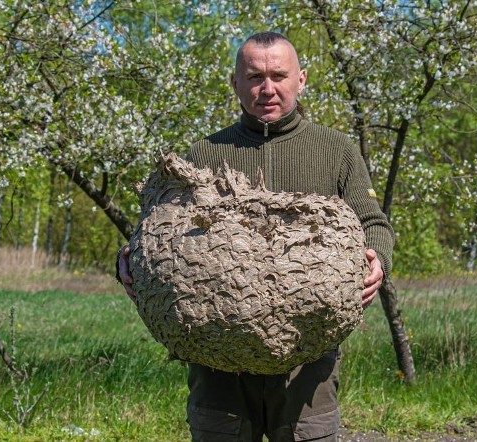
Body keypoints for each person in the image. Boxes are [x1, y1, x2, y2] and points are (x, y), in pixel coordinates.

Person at [118, 32, 394, 442]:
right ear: (235, 83)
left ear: (301, 79)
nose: (267, 88)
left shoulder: (337, 150)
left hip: (308, 361)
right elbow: (162, 230)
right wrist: (131, 258)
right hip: (217, 364)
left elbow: (373, 222)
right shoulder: (203, 154)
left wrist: (378, 260)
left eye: (279, 75)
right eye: (254, 77)